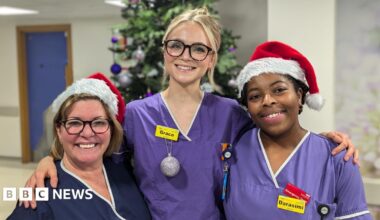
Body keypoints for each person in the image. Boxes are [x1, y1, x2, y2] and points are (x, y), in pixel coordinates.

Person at [24, 8, 357, 220]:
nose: (186, 56)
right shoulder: (138, 115)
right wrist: (49, 161)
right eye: (176, 45)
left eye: (199, 48)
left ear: (211, 59)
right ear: (165, 51)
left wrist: (327, 141)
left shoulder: (230, 114)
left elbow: (275, 134)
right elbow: (97, 156)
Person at [224, 41, 371, 219]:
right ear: (247, 105)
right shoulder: (233, 151)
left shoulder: (338, 158)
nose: (267, 100)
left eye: (279, 90)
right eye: (255, 96)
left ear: (300, 96)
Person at [8, 73, 151, 220]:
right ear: (59, 129)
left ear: (111, 129)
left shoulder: (123, 169)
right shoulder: (39, 195)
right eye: (75, 123)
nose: (87, 133)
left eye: (98, 122)